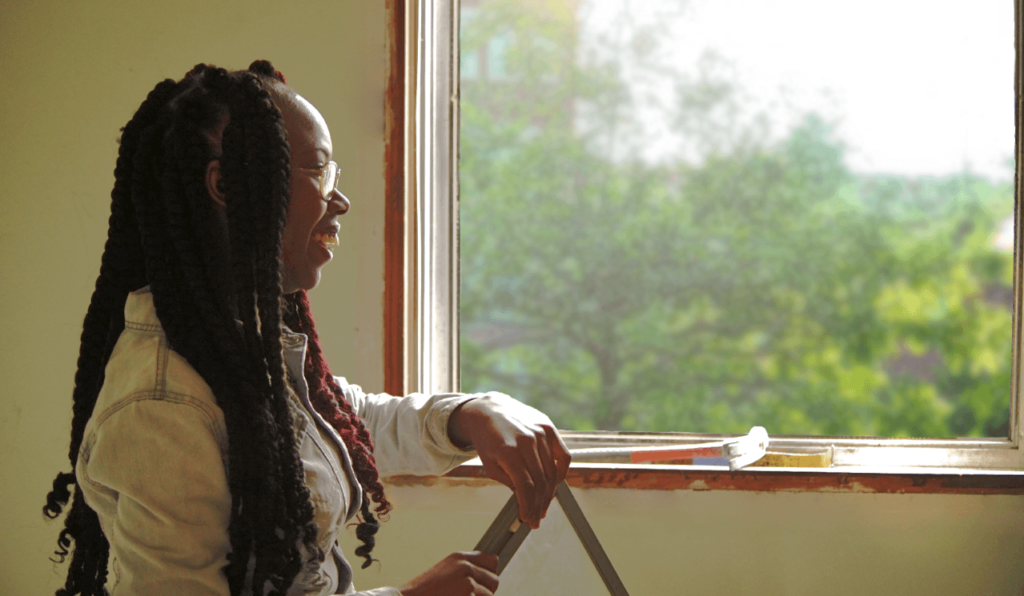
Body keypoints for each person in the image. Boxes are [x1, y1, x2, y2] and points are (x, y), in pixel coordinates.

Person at [43, 60, 570, 596]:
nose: (340, 201)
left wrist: (471, 414)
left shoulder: (239, 345)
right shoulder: (162, 408)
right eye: (320, 172)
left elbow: (347, 421)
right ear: (225, 186)